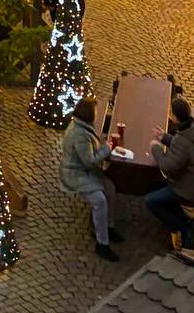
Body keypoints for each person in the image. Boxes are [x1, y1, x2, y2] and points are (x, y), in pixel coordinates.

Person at [59, 95, 120, 261]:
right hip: (77, 175)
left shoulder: (82, 126)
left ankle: (109, 226)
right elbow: (89, 161)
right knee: (99, 200)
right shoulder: (79, 134)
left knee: (110, 188)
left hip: (85, 172)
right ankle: (102, 243)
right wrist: (107, 149)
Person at [145, 96, 194, 250]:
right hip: (191, 182)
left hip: (188, 188)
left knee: (151, 201)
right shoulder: (192, 127)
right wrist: (165, 138)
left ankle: (183, 225)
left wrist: (156, 148)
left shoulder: (184, 139)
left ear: (176, 117)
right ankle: (184, 222)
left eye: (171, 114)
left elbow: (168, 167)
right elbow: (183, 148)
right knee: (156, 186)